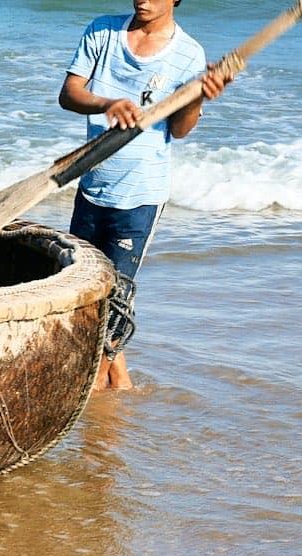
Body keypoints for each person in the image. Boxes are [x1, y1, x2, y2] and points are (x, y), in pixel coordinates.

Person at [59, 0, 228, 391]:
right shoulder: (103, 30)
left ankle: (97, 399)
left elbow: (181, 130)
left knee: (114, 301)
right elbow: (69, 94)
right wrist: (107, 103)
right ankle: (122, 387)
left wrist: (197, 96)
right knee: (86, 294)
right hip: (91, 182)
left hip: (140, 194)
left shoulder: (188, 54)